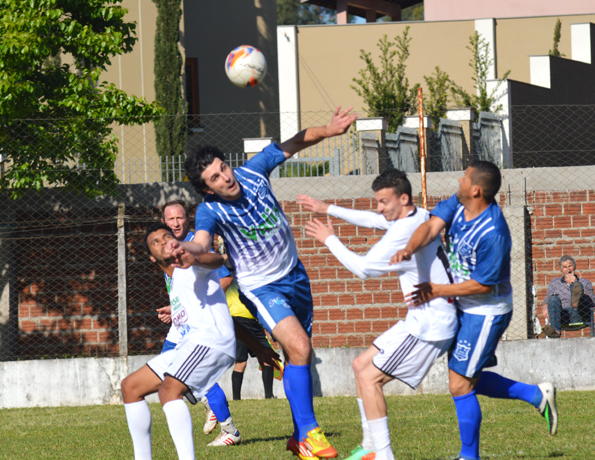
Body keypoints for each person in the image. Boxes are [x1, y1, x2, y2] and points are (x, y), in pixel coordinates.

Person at [167, 106, 357, 460]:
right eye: (215, 178)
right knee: (300, 348)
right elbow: (203, 243)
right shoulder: (211, 211)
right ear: (207, 190)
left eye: (223, 168)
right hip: (260, 288)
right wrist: (185, 248)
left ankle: (299, 436)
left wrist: (329, 131)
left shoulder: (253, 172)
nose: (225, 177)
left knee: (296, 354)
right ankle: (311, 435)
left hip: (295, 275)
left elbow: (294, 142)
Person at [390, 160, 558, 460]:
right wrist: (408, 249)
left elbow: (483, 285)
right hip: (462, 306)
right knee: (470, 378)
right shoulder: (458, 202)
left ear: (476, 190)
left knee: (459, 383)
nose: (459, 180)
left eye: (465, 178)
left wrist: (437, 291)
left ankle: (469, 457)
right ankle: (536, 394)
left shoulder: (494, 232)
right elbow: (430, 227)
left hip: (486, 311)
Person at [299, 168, 458, 460]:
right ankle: (370, 447)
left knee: (371, 378)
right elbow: (374, 220)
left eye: (384, 202)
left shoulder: (404, 232)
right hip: (422, 319)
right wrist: (326, 208)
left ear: (404, 198)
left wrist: (329, 239)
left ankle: (384, 456)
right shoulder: (418, 215)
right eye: (378, 201)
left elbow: (363, 269)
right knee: (361, 366)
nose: (379, 208)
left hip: (430, 326)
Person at [121, 223, 278, 460]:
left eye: (166, 236)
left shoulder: (190, 265)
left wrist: (195, 258)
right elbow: (225, 316)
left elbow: (214, 260)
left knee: (169, 390)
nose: (163, 241)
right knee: (130, 387)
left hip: (210, 342)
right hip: (194, 344)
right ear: (152, 258)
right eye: (156, 242)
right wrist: (259, 348)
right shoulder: (174, 284)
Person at [158, 200, 276, 446]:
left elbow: (224, 277)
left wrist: (194, 303)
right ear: (164, 223)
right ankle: (212, 407)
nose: (176, 222)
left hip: (199, 322)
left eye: (180, 217)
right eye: (171, 219)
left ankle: (229, 429)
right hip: (181, 321)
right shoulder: (169, 250)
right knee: (167, 372)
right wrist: (176, 306)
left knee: (186, 374)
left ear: (187, 219)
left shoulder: (196, 245)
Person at [541, 255, 595, 338]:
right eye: (565, 267)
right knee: (553, 299)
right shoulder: (554, 283)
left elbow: (593, 302)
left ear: (574, 267)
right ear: (561, 270)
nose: (568, 269)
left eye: (570, 266)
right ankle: (555, 331)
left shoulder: (585, 282)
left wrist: (576, 284)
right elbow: (546, 300)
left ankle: (576, 296)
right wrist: (545, 307)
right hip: (562, 315)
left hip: (580, 314)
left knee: (578, 286)